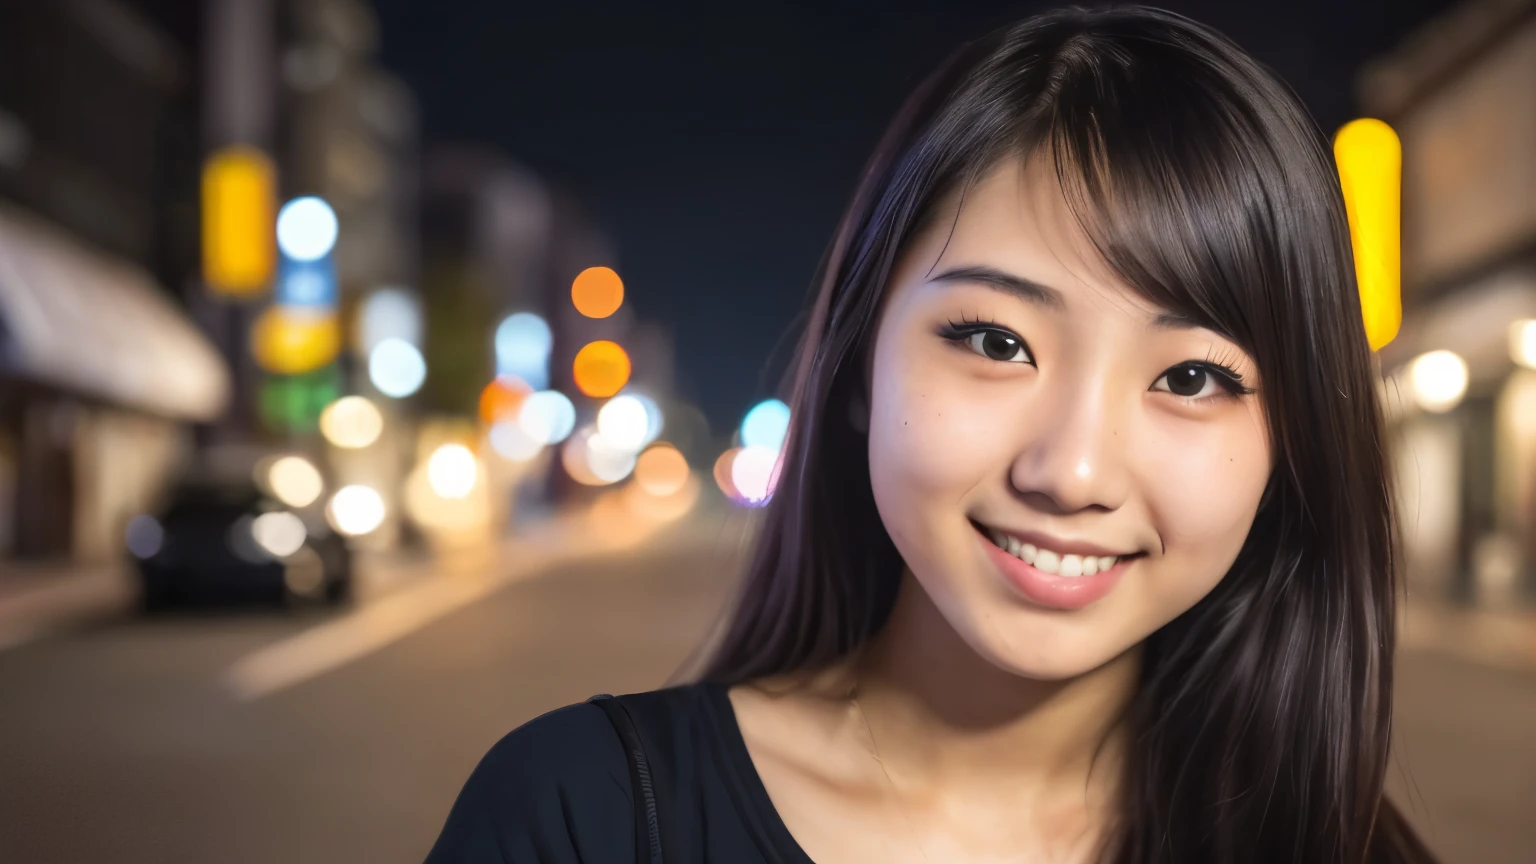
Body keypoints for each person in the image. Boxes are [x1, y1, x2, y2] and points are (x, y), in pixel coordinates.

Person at [424, 6, 1441, 863]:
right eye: (996, 342)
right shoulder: (582, 819)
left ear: (1293, 440)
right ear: (862, 362)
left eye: (1191, 377)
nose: (1072, 470)